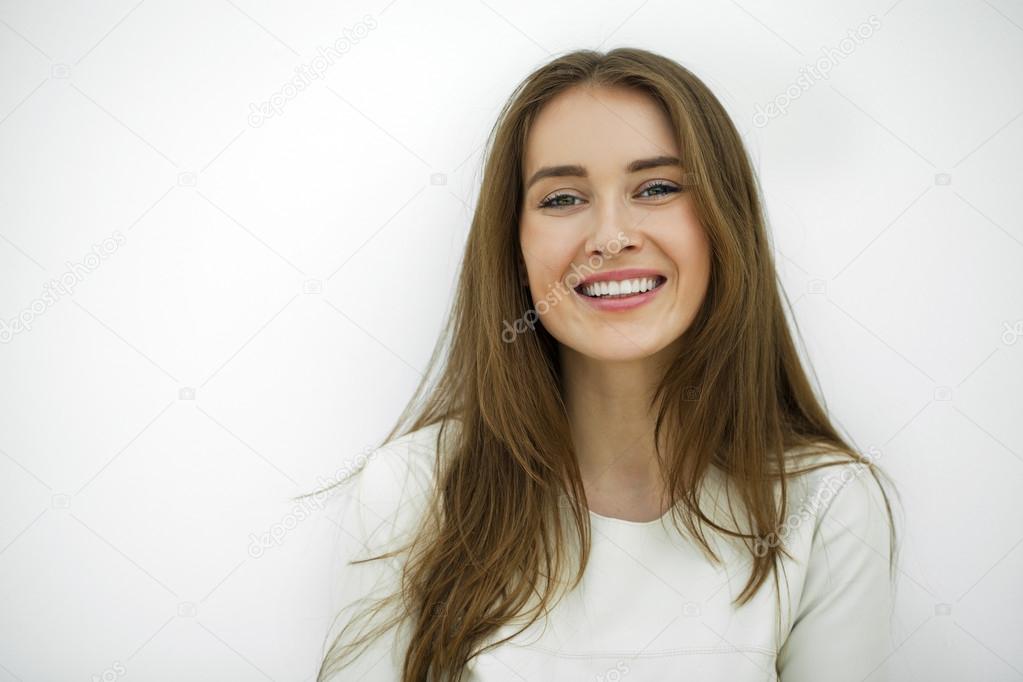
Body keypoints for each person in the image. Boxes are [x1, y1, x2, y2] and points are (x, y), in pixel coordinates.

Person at [311, 46, 900, 682]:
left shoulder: (828, 503)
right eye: (563, 199)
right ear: (514, 244)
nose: (610, 236)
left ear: (726, 226)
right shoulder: (411, 491)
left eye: (658, 188)